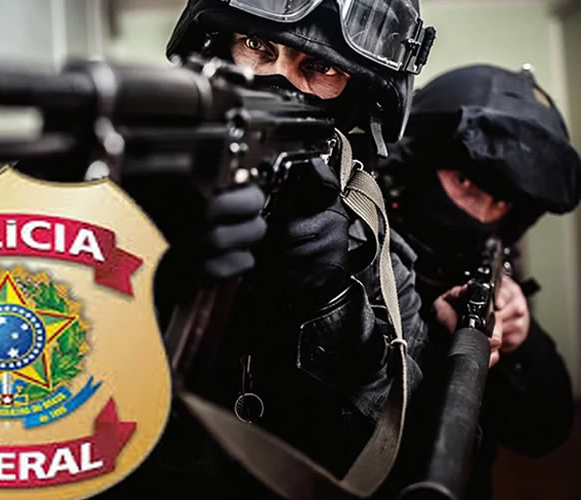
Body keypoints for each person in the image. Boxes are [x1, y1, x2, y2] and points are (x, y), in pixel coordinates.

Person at [100, 1, 441, 498]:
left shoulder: (372, 247)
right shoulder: (140, 186)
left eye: (320, 67)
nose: (277, 80)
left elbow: (407, 445)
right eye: (257, 45)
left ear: (357, 96)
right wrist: (143, 267)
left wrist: (329, 301)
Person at [378, 64, 579, 500]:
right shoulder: (360, 251)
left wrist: (523, 342)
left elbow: (542, 433)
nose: (482, 214)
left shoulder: (494, 273)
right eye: (464, 181)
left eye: (501, 201)